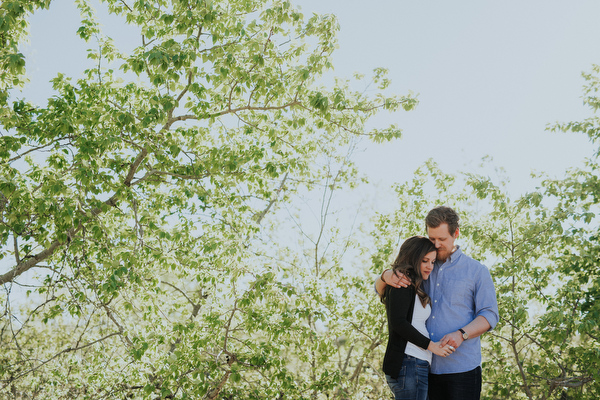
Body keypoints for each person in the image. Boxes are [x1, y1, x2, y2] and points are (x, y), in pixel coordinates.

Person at [376, 206, 499, 400]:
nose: (436, 244)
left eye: (442, 239)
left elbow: (490, 315)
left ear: (456, 233)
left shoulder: (476, 271)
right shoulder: (422, 266)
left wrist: (462, 334)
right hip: (424, 368)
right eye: (432, 239)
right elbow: (383, 291)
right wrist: (384, 276)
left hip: (462, 369)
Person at [381, 235, 455, 400]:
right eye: (425, 261)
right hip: (409, 363)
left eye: (433, 262)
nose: (430, 266)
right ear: (413, 258)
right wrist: (432, 346)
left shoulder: (414, 285)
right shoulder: (402, 282)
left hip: (416, 364)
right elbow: (399, 323)